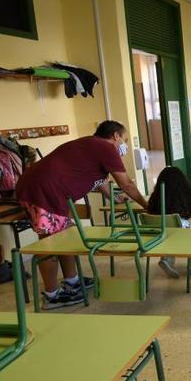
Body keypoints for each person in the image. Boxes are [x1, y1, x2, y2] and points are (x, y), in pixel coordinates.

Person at [16, 120, 148, 309]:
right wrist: (145, 204)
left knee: (66, 237)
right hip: (42, 191)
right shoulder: (106, 147)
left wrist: (113, 198)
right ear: (116, 136)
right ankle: (51, 296)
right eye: (124, 139)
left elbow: (96, 177)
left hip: (46, 188)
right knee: (49, 244)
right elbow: (126, 183)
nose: (124, 145)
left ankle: (72, 281)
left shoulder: (91, 144)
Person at [146, 166, 191, 278]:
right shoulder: (186, 198)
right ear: (183, 183)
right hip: (182, 234)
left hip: (159, 236)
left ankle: (167, 259)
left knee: (170, 233)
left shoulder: (155, 199)